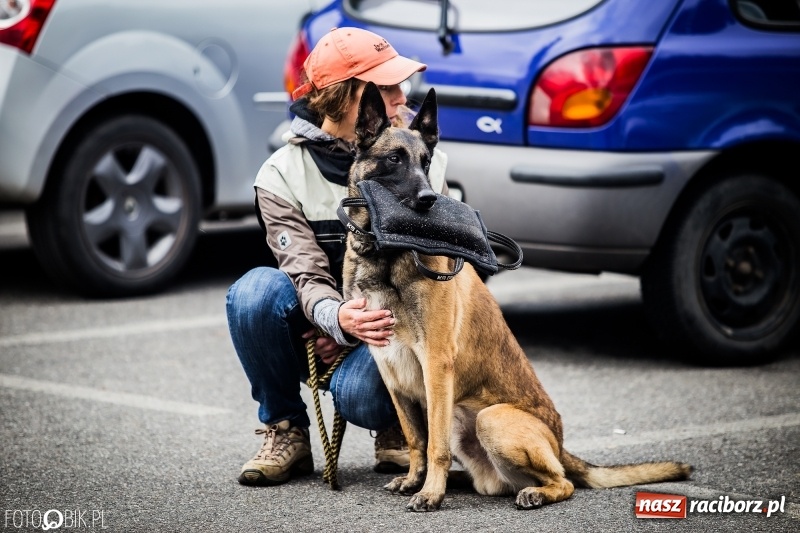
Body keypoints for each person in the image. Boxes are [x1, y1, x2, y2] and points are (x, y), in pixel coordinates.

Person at [226, 27, 449, 486]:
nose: (402, 96)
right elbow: (303, 273)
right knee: (252, 292)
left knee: (360, 398)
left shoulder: (420, 158)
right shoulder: (281, 175)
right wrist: (336, 320)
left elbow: (435, 278)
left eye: (399, 84)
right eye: (387, 87)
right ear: (350, 98)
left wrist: (356, 334)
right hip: (322, 321)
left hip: (394, 323)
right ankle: (285, 430)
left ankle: (400, 427)